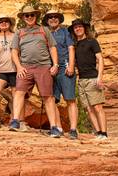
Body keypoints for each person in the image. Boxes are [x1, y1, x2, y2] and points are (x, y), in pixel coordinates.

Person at [8, 5, 62, 137]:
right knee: (19, 92)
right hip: (25, 67)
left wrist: (55, 64)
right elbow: (14, 51)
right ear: (23, 18)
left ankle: (54, 127)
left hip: (43, 67)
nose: (30, 17)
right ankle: (15, 121)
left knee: (47, 97)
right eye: (27, 15)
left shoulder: (44, 30)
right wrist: (19, 67)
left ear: (36, 16)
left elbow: (52, 48)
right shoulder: (19, 32)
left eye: (32, 15)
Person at [70, 19, 108, 140]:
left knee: (97, 107)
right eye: (75, 28)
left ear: (84, 28)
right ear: (74, 30)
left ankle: (104, 133)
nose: (78, 29)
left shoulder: (92, 42)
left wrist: (99, 77)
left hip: (92, 78)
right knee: (88, 108)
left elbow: (100, 59)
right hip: (81, 81)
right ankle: (98, 132)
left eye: (80, 27)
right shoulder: (75, 45)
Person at [42, 10, 78, 140]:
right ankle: (58, 127)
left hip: (64, 67)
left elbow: (71, 48)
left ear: (59, 19)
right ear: (47, 20)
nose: (53, 19)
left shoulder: (65, 32)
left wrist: (71, 65)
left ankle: (73, 129)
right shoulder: (45, 34)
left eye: (55, 17)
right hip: (50, 69)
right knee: (52, 99)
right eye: (50, 17)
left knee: (70, 99)